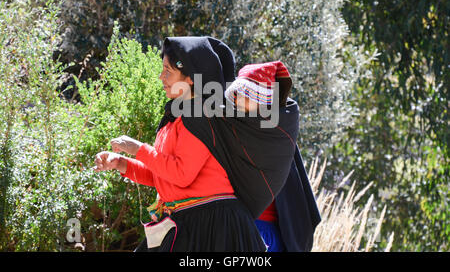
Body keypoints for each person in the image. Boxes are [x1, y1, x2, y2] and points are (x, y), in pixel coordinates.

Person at [94, 36, 266, 252]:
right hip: (189, 220)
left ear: (191, 77)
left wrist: (139, 149)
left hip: (214, 225)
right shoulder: (176, 118)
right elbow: (162, 174)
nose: (161, 77)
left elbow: (181, 174)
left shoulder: (200, 116)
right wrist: (121, 163)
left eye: (168, 71)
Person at [224, 61, 322, 252]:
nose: (236, 101)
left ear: (261, 99)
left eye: (243, 95)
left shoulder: (276, 137)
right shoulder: (234, 129)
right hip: (237, 229)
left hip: (264, 234)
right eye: (235, 95)